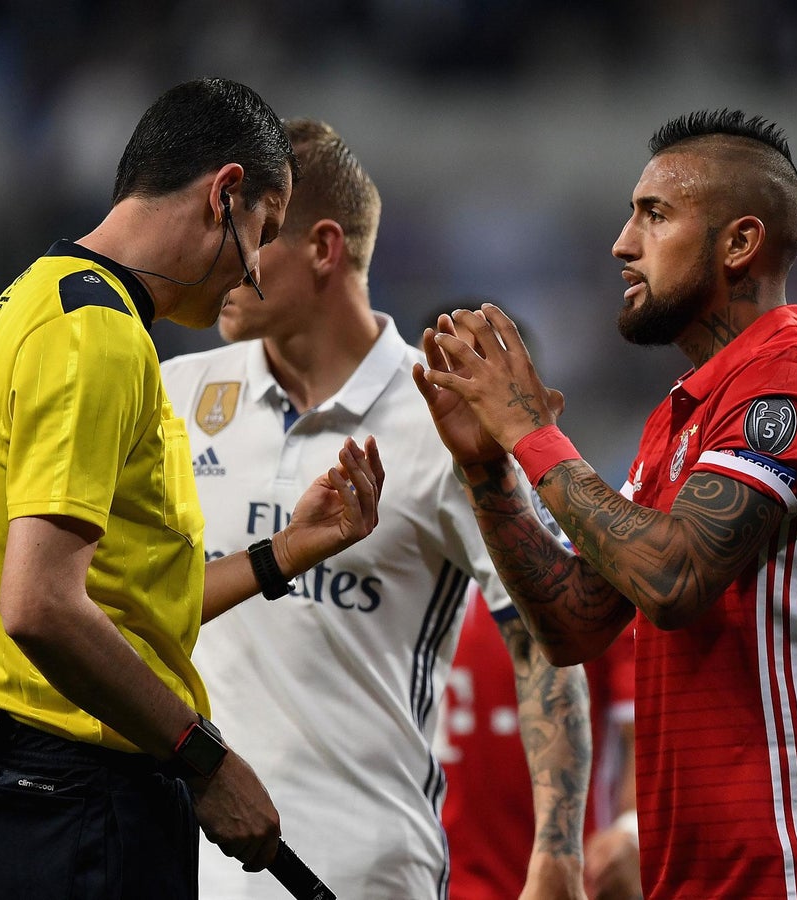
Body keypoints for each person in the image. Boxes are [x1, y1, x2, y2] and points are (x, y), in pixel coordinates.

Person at [414, 109, 797, 898]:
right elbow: (577, 624)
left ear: (740, 243)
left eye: (654, 214)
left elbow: (673, 580)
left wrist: (530, 430)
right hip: (698, 879)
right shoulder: (677, 423)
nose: (623, 243)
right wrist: (489, 469)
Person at [0, 78, 385, 900]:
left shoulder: (26, 308)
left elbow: (117, 598)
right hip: (76, 804)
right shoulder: (97, 339)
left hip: (20, 803)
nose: (251, 274)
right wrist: (206, 762)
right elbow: (40, 605)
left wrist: (284, 553)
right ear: (226, 194)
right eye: (263, 234)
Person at [160, 118, 592, 900]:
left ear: (325, 249)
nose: (226, 260)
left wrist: (557, 852)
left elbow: (543, 645)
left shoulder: (447, 419)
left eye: (254, 235)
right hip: (185, 870)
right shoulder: (177, 396)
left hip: (363, 872)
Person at [439, 582, 642, 900]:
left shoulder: (586, 569)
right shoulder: (399, 571)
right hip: (433, 879)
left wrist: (632, 830)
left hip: (570, 881)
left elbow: (644, 732)